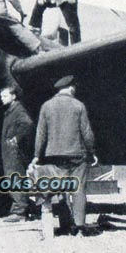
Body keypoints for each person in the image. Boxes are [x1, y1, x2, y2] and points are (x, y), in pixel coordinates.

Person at [29, 75, 97, 235]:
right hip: (77, 154)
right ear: (71, 87)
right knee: (78, 188)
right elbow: (87, 132)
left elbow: (41, 133)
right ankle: (80, 228)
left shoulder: (46, 106)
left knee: (59, 188)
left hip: (55, 155)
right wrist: (92, 151)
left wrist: (36, 155)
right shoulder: (78, 105)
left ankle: (65, 225)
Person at [0, 85, 35, 222]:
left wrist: (16, 138)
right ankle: (22, 208)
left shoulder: (18, 110)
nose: (2, 99)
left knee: (14, 178)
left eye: (5, 96)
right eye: (1, 96)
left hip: (14, 153)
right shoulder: (11, 110)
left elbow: (28, 123)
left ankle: (19, 212)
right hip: (11, 152)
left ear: (13, 96)